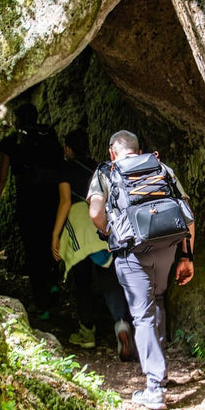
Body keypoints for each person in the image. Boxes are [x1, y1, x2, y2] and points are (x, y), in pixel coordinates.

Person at [87, 130, 195, 410]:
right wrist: (187, 255)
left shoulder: (105, 173)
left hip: (131, 250)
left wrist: (110, 231)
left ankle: (155, 387)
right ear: (139, 149)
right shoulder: (161, 168)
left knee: (141, 313)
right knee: (157, 300)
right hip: (167, 245)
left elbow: (95, 213)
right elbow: (187, 214)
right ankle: (161, 371)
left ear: (112, 152)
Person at [51, 130, 134, 360]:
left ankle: (87, 332)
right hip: (100, 221)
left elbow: (66, 201)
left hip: (78, 223)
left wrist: (56, 234)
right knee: (108, 275)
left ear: (68, 149)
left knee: (82, 280)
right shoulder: (98, 167)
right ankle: (121, 323)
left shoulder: (64, 168)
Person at [0, 103, 63, 316]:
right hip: (52, 200)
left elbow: (1, 178)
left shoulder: (12, 141)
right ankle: (53, 287)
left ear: (17, 120)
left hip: (28, 202)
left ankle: (42, 304)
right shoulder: (49, 136)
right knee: (51, 244)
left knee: (33, 249)